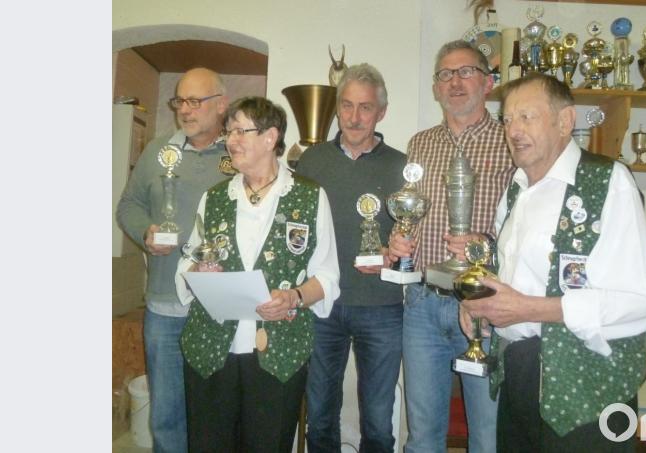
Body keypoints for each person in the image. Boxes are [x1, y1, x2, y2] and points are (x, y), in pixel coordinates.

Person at [458, 74, 646, 452]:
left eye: (527, 117)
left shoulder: (607, 181)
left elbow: (643, 300)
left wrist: (530, 309)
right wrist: (484, 308)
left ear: (565, 121)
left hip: (588, 390)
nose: (513, 130)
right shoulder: (515, 189)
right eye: (507, 119)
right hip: (519, 377)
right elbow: (520, 280)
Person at [175, 97, 340, 452]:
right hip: (211, 350)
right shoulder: (215, 197)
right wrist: (198, 269)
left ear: (270, 137)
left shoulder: (310, 197)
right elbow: (187, 264)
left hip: (278, 352)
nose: (231, 139)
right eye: (229, 131)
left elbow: (326, 277)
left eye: (240, 130)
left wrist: (294, 297)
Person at [388, 40, 515, 453]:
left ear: (488, 83)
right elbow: (411, 210)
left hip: (484, 304)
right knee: (422, 436)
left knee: (488, 435)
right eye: (445, 74)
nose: (455, 82)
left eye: (466, 72)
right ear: (435, 86)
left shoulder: (511, 142)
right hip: (422, 304)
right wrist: (398, 242)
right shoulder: (420, 144)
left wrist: (487, 246)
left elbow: (524, 223)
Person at [116, 67, 231, 453]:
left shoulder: (238, 152)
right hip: (165, 305)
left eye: (195, 101)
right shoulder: (157, 151)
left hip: (218, 307)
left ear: (221, 104)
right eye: (180, 100)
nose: (185, 109)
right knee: (166, 415)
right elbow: (128, 206)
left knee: (214, 413)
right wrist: (146, 232)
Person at [295, 63, 407, 453]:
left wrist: (396, 252)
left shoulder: (403, 166)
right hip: (323, 302)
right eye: (346, 106)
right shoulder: (311, 162)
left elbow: (413, 234)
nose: (354, 117)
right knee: (320, 415)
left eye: (365, 107)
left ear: (381, 113)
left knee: (378, 419)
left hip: (382, 305)